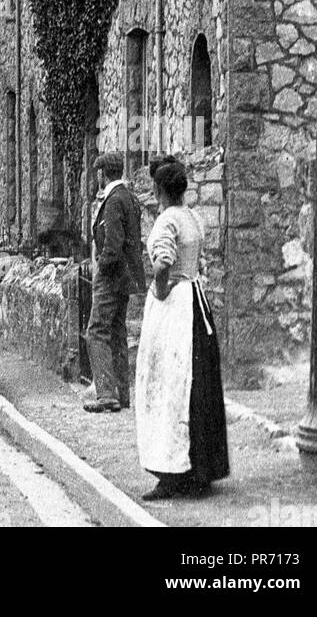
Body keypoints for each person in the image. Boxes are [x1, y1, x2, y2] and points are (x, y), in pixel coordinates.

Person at [135, 158, 230, 499]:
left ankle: (170, 473)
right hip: (195, 300)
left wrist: (160, 291)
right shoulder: (192, 217)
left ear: (159, 190)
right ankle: (199, 471)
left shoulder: (166, 221)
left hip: (174, 307)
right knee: (196, 384)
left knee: (167, 385)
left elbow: (162, 263)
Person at [84, 152, 146, 413]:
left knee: (96, 332)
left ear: (101, 174)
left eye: (97, 172)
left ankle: (106, 394)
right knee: (118, 332)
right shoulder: (130, 197)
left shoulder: (112, 200)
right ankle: (122, 394)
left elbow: (113, 244)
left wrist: (102, 269)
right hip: (126, 277)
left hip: (111, 276)